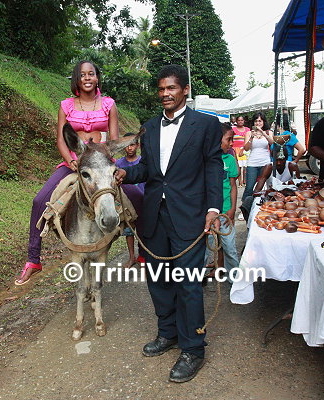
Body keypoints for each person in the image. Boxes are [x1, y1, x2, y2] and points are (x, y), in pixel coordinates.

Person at [114, 65, 223, 383]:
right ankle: (168, 333)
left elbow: (213, 166)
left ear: (185, 90)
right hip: (154, 215)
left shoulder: (206, 124)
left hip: (190, 215)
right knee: (158, 278)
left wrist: (213, 208)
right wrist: (126, 173)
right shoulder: (149, 127)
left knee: (188, 282)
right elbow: (148, 169)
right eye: (161, 89)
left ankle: (193, 349)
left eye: (171, 88)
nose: (165, 94)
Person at [15, 60, 124, 285]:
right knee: (39, 201)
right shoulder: (66, 105)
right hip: (73, 164)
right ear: (76, 78)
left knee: (135, 197)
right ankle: (33, 260)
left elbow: (113, 141)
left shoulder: (109, 104)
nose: (87, 78)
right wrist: (71, 160)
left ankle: (142, 248)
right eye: (83, 74)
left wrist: (110, 165)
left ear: (97, 77)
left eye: (91, 74)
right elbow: (60, 139)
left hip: (101, 165)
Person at [204, 123, 239, 282]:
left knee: (229, 248)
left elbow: (233, 186)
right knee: (206, 247)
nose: (232, 143)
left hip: (225, 212)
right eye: (228, 139)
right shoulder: (205, 159)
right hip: (209, 215)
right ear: (217, 140)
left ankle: (235, 279)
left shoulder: (230, 160)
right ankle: (199, 278)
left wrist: (232, 209)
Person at [239, 145, 302, 222]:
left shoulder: (292, 167)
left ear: (286, 158)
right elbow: (257, 189)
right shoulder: (269, 167)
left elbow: (299, 188)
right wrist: (268, 193)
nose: (278, 163)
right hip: (271, 198)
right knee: (249, 200)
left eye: (281, 160)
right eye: (276, 160)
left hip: (289, 198)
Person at [115, 132, 145, 267]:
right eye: (127, 145)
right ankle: (132, 257)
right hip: (127, 204)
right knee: (129, 231)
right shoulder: (119, 163)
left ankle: (143, 257)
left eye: (132, 145)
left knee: (143, 231)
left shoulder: (143, 162)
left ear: (137, 146)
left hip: (143, 202)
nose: (130, 148)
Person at [242, 112, 274, 200]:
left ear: (263, 122)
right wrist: (251, 138)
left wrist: (263, 133)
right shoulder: (249, 133)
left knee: (267, 186)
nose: (258, 123)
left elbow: (272, 143)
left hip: (265, 162)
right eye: (256, 121)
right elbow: (246, 148)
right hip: (252, 163)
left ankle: (265, 203)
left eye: (260, 121)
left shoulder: (269, 132)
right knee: (249, 187)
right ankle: (246, 204)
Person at [232, 116, 249, 188]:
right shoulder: (233, 129)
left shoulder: (247, 129)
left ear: (244, 121)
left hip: (245, 149)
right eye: (239, 120)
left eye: (242, 120)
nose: (240, 122)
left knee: (245, 166)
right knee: (238, 166)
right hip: (235, 149)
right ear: (236, 121)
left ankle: (245, 181)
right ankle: (240, 182)